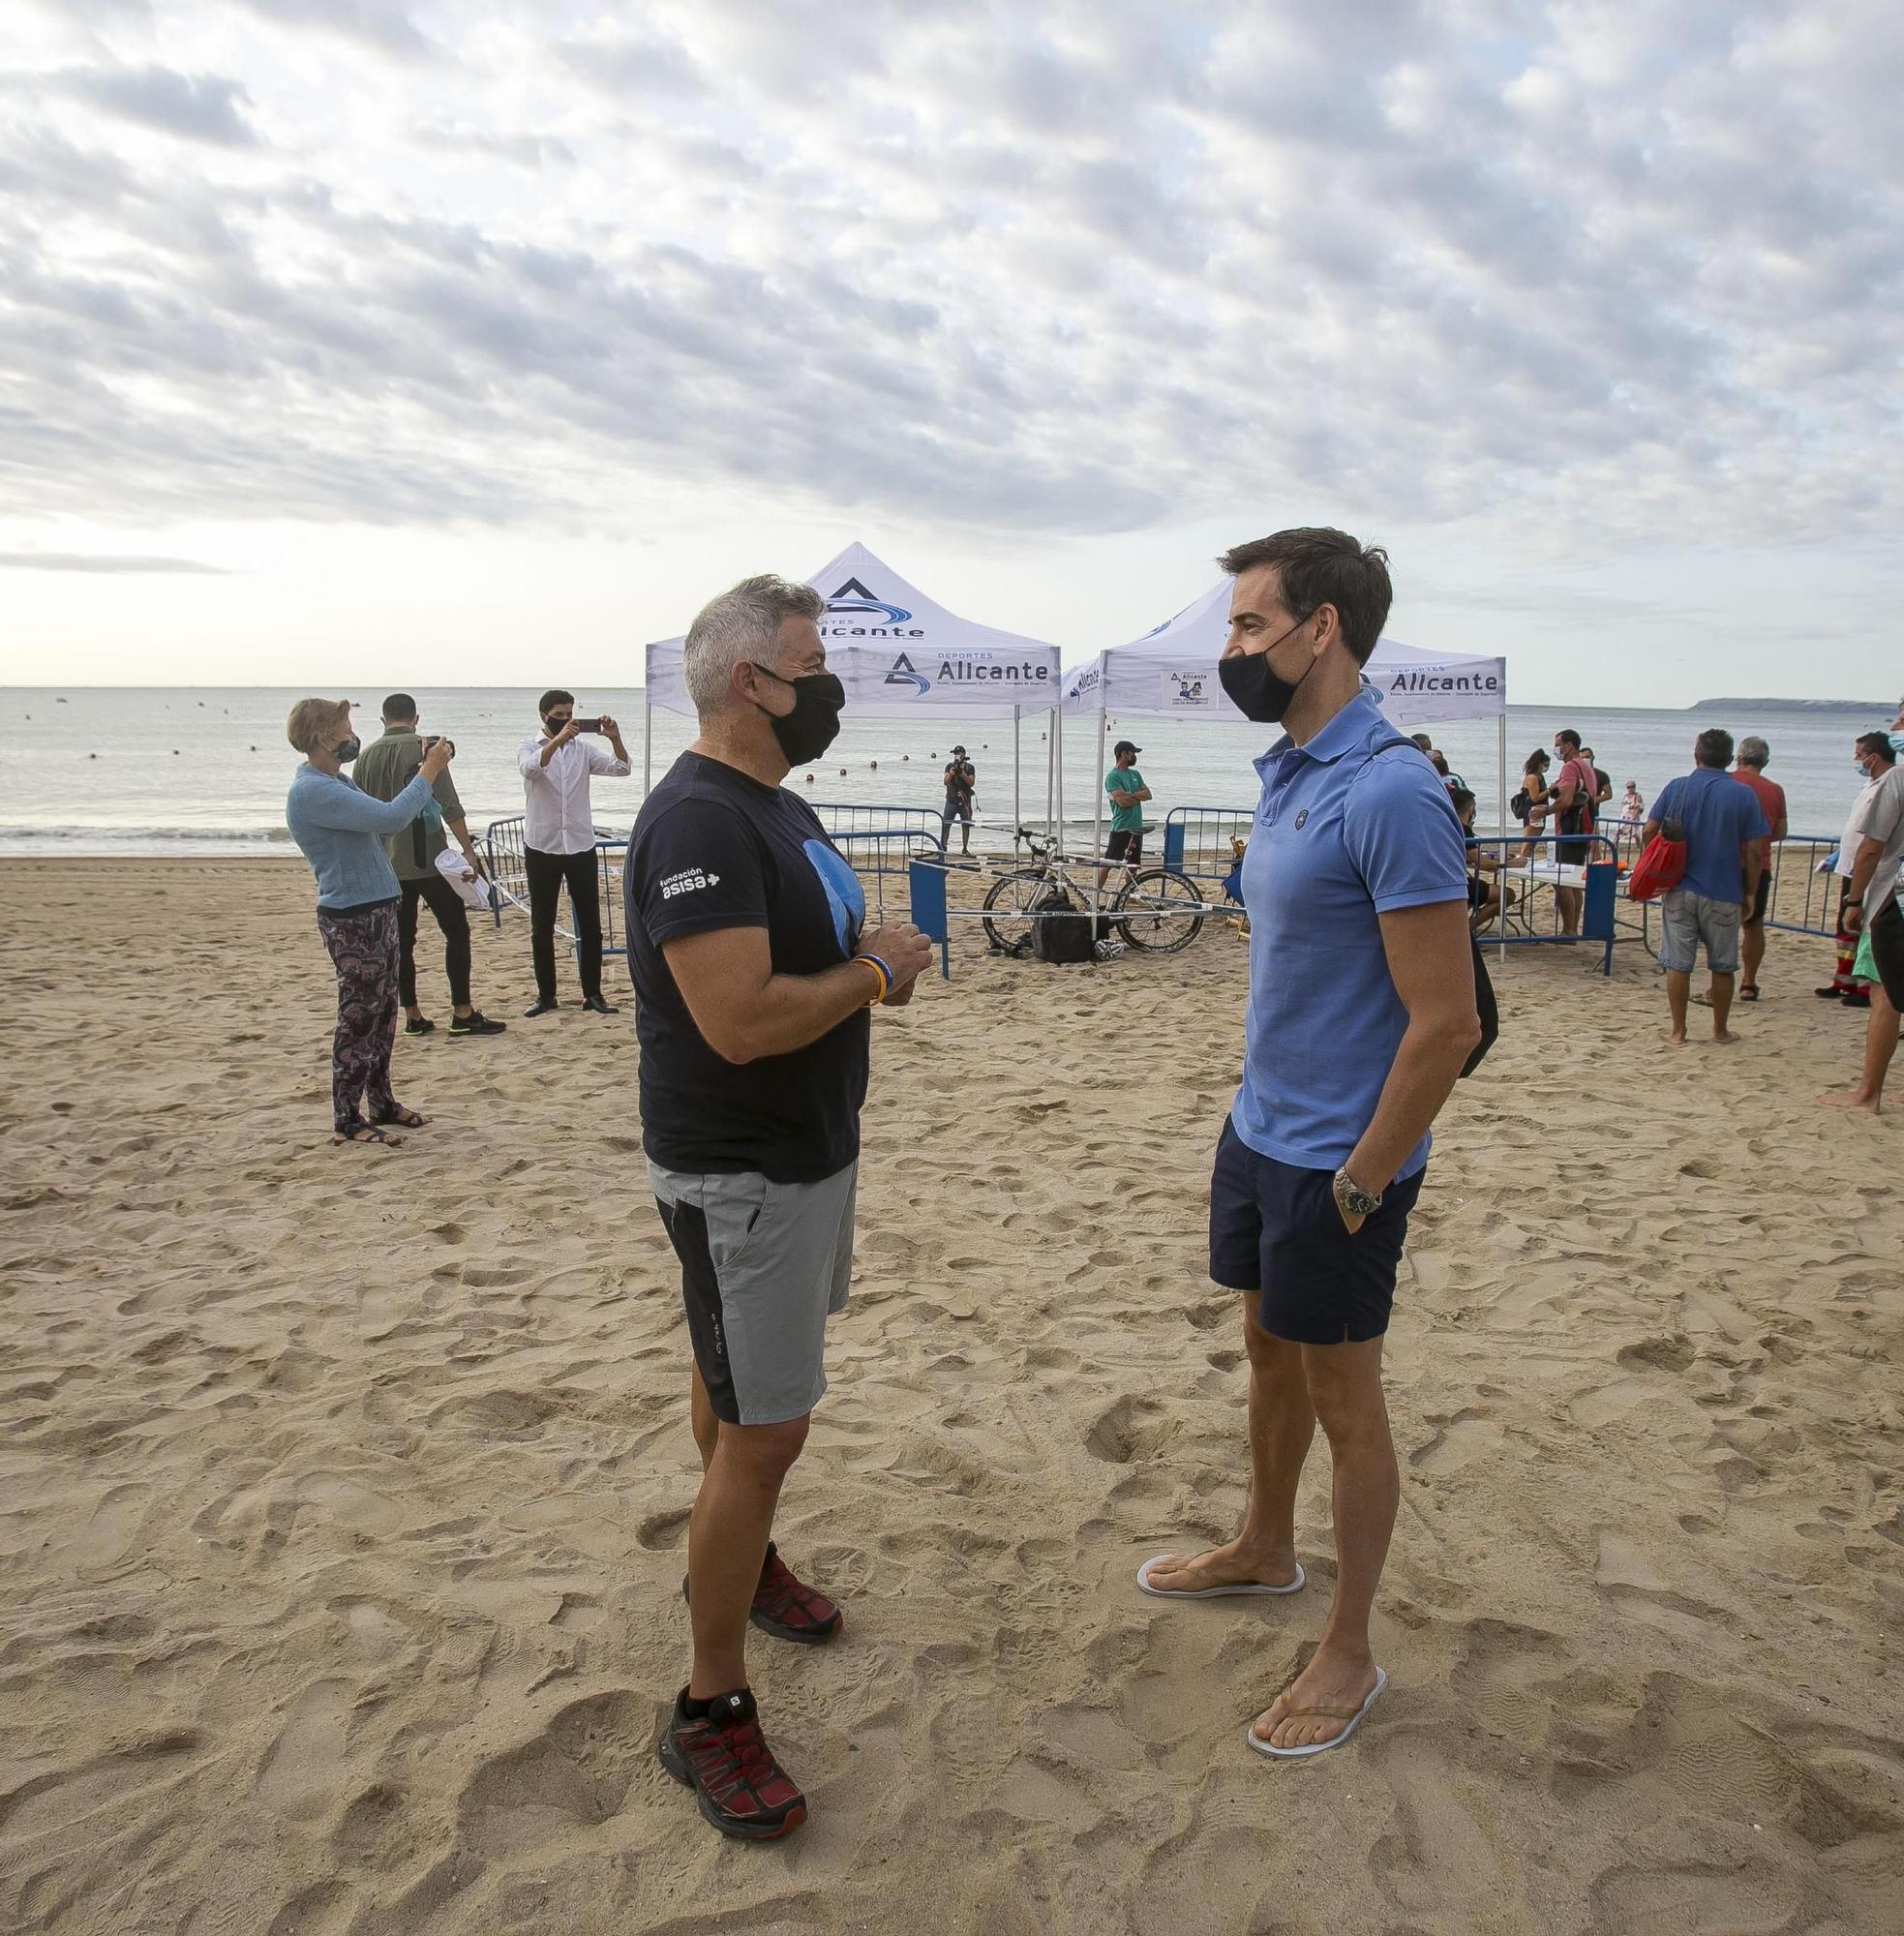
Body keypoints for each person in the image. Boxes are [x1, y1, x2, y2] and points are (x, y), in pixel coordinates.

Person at [1135, 528, 1479, 1763]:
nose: (1227, 649)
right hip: (1260, 1128)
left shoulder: (1387, 786)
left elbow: (1447, 1023)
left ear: (1317, 629)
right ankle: (1263, 1544)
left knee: (1348, 1398)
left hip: (1341, 1154)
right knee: (1265, 1347)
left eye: (1244, 627)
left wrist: (1360, 1177)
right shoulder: (1288, 769)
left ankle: (1348, 1644)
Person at [626, 574, 934, 1839]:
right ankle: (706, 1713)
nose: (826, 685)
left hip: (804, 1154)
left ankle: (742, 1563)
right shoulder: (698, 822)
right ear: (752, 682)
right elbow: (741, 1020)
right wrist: (872, 970)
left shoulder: (774, 802)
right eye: (810, 663)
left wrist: (875, 970)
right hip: (739, 1166)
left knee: (731, 1386)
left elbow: (819, 962)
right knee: (765, 1432)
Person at [284, 698, 454, 1144]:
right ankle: (347, 1118)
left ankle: (380, 1101)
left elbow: (380, 819)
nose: (352, 734)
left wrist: (417, 776)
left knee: (381, 1016)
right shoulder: (313, 790)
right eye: (345, 726)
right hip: (352, 916)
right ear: (324, 737)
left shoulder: (334, 781)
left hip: (377, 906)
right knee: (358, 1018)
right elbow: (393, 818)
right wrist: (429, 770)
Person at [353, 695, 506, 1039]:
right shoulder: (429, 752)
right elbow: (450, 805)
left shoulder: (365, 758)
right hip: (431, 862)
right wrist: (468, 851)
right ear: (416, 718)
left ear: (382, 720)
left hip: (388, 864)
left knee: (402, 942)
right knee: (456, 932)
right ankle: (462, 1012)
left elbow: (359, 812)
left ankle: (413, 1015)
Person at [1644, 729, 1768, 1047]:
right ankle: (1720, 1030)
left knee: (1678, 963)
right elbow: (1755, 849)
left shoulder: (1678, 788)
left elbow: (1650, 829)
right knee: (1722, 965)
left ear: (1696, 754)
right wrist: (1750, 891)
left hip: (1680, 886)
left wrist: (1657, 862)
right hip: (1724, 889)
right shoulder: (1742, 795)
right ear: (1729, 760)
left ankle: (1678, 1031)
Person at [518, 691, 631, 1017]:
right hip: (543, 845)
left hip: (580, 844)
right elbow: (530, 770)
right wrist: (557, 741)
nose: (567, 720)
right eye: (559, 715)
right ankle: (546, 995)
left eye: (570, 715)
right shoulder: (529, 745)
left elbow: (622, 768)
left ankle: (593, 994)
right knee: (542, 924)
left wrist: (615, 738)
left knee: (591, 924)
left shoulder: (583, 750)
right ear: (544, 716)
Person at [1817, 742, 1904, 1114]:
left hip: (1893, 898)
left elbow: (1871, 847)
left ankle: (1868, 1094)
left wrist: (1854, 901)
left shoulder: (1897, 779)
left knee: (1884, 993)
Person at [1818, 734, 1895, 1006]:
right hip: (1851, 866)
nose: (1856, 759)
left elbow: (1875, 839)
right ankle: (1845, 980)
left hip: (1870, 871)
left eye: (1859, 754)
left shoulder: (1888, 785)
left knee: (1863, 927)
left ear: (1873, 757)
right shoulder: (1870, 785)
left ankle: (1864, 986)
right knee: (1845, 928)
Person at [1728, 736, 1788, 1002]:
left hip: (1725, 861)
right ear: (1765, 762)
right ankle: (1749, 981)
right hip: (1759, 864)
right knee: (1754, 924)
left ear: (1738, 758)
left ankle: (1719, 979)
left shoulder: (1727, 782)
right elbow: (1780, 831)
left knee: (1721, 924)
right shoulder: (1774, 790)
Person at [1534, 728, 1598, 935]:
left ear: (1569, 745)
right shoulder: (1586, 767)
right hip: (1585, 828)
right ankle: (1571, 928)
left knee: (1561, 881)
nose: (1556, 749)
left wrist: (1547, 809)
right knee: (1574, 880)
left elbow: (1567, 799)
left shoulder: (1570, 767)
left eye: (1558, 745)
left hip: (1571, 829)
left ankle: (1568, 930)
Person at [1451, 786, 1515, 929]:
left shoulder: (1447, 824)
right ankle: (1468, 928)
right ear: (1470, 809)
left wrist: (1497, 858)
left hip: (1449, 879)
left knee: (1478, 892)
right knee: (1507, 895)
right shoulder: (1463, 829)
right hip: (1458, 882)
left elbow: (1468, 856)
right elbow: (1483, 864)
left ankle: (1460, 927)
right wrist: (1509, 863)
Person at [1098, 739, 1152, 892]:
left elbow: (1148, 794)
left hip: (1137, 826)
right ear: (1124, 754)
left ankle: (1129, 893)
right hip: (1121, 827)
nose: (1134, 756)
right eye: (1132, 753)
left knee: (1133, 865)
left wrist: (1130, 795)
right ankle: (1097, 890)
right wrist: (1135, 796)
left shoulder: (1135, 774)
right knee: (1108, 863)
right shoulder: (1113, 776)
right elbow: (1122, 802)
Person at [1512, 749, 1549, 862]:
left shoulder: (1539, 776)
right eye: (1545, 764)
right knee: (1528, 844)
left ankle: (1525, 864)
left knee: (1531, 843)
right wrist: (1549, 790)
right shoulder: (1533, 777)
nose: (1547, 767)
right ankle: (1522, 866)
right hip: (1533, 812)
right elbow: (1535, 797)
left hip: (1540, 812)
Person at [942, 745, 976, 856]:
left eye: (958, 754)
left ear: (963, 755)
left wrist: (962, 775)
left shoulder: (969, 767)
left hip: (965, 800)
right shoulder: (950, 766)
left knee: (966, 825)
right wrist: (951, 774)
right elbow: (945, 781)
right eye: (955, 754)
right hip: (951, 800)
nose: (956, 756)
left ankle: (965, 848)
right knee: (946, 824)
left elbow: (971, 782)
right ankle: (943, 847)